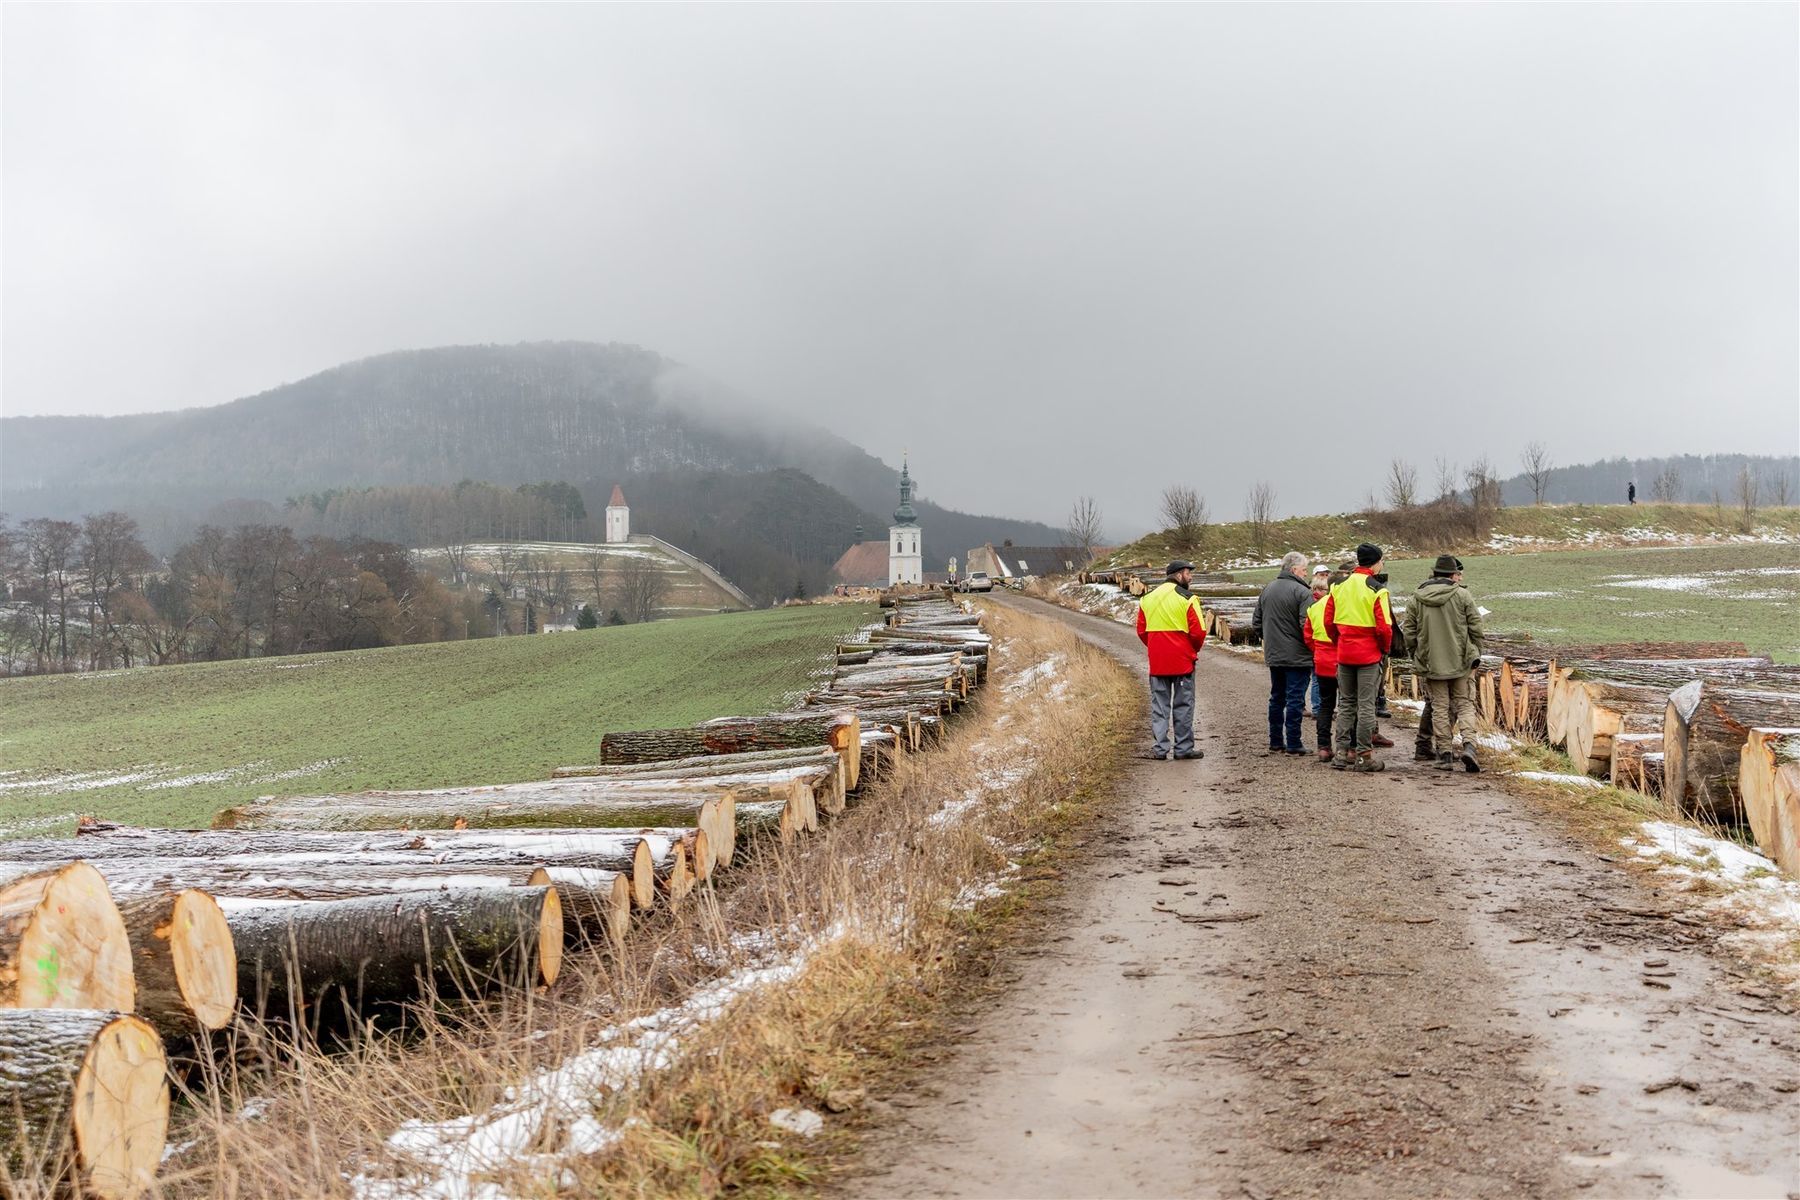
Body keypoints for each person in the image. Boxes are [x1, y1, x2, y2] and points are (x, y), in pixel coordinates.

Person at [1402, 554, 1486, 772]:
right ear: (1452, 574)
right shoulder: (1463, 595)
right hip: (1461, 661)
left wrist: (1416, 654)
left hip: (1432, 662)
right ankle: (1469, 746)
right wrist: (1476, 652)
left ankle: (1444, 754)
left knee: (1439, 707)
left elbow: (1409, 632)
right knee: (1465, 704)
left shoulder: (1416, 598)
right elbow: (1476, 628)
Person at [1325, 543, 1393, 771]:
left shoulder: (1338, 586)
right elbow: (1384, 628)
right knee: (1366, 706)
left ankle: (1341, 753)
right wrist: (1383, 649)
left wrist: (1339, 641)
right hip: (1368, 655)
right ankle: (1364, 755)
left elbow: (1328, 621)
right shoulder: (1377, 590)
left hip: (1345, 652)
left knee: (1345, 704)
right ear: (1376, 563)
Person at [1136, 560, 1207, 761]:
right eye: (1188, 573)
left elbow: (1141, 631)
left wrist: (1157, 647)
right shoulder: (1188, 598)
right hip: (1182, 662)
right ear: (1179, 574)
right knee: (1183, 705)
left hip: (1158, 662)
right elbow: (1199, 632)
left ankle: (1160, 749)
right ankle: (1183, 749)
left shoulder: (1147, 599)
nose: (1190, 577)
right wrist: (1191, 651)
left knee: (1159, 706)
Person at [1252, 552, 1314, 756]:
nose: (1306, 573)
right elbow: (1307, 625)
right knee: (1295, 699)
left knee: (1277, 698)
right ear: (1294, 570)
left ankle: (1276, 741)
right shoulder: (1303, 592)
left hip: (1274, 654)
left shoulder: (1267, 589)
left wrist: (1271, 640)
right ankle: (1294, 742)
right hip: (1298, 656)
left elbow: (1256, 622)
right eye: (1304, 570)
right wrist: (1312, 648)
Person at [1302, 567, 1340, 762]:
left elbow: (1307, 636)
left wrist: (1317, 651)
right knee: (1348, 704)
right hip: (1341, 659)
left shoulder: (1314, 608)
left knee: (1326, 705)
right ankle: (1347, 746)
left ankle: (1324, 746)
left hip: (1322, 660)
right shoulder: (1340, 605)